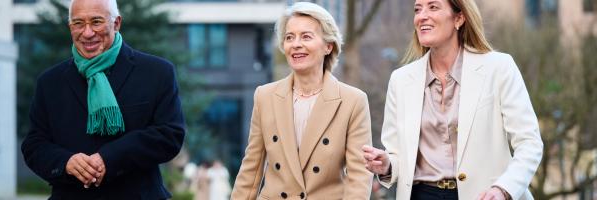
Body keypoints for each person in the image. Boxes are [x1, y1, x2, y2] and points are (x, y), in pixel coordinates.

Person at [361, 0, 543, 199]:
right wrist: (386, 164)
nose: (422, 16)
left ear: (459, 18)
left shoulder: (499, 68)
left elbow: (529, 143)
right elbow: (396, 155)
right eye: (417, 9)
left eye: (433, 7)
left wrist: (503, 189)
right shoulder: (400, 80)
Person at [20, 0, 185, 199]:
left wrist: (109, 158)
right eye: (78, 23)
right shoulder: (50, 82)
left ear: (116, 23)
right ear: (70, 27)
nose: (87, 33)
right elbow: (34, 145)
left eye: (96, 22)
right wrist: (67, 162)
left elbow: (169, 135)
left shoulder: (157, 72)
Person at [231, 2, 373, 199]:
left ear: (328, 46)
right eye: (290, 37)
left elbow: (359, 178)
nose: (296, 44)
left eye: (306, 36)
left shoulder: (353, 101)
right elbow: (251, 170)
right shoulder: (264, 96)